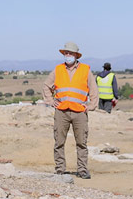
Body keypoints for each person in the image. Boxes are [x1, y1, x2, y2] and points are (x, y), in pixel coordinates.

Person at [42, 42, 98, 179]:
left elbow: (93, 89)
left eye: (70, 53)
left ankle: (82, 170)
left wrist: (91, 106)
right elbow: (46, 86)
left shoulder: (85, 70)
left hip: (79, 111)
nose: (68, 55)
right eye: (66, 53)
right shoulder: (58, 69)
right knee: (59, 142)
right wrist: (50, 101)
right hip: (61, 111)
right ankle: (60, 169)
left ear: (76, 55)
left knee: (81, 143)